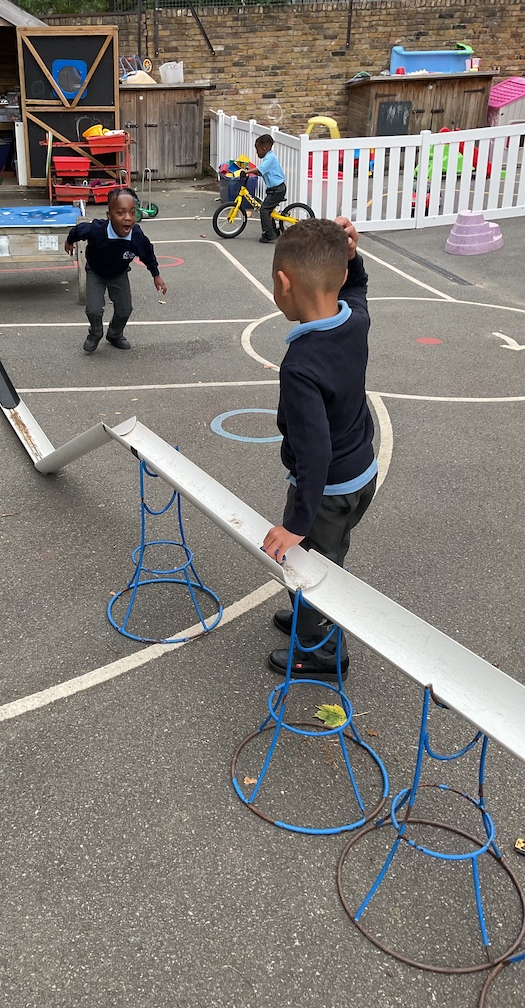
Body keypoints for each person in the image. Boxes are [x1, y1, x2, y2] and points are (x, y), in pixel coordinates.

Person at [262, 217, 377, 681]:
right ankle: (306, 615)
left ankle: (322, 653)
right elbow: (358, 287)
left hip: (327, 493)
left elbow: (315, 454)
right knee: (328, 553)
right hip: (361, 476)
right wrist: (353, 257)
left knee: (310, 566)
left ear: (283, 283)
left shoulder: (301, 366)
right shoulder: (355, 319)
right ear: (342, 275)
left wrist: (296, 523)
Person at [64, 187, 167, 353]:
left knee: (125, 310)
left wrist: (156, 275)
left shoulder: (136, 236)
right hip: (96, 272)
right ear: (109, 215)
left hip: (119, 273)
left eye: (132, 212)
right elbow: (79, 230)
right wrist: (69, 241)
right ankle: (95, 332)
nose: (128, 218)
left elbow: (147, 253)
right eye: (120, 213)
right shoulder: (97, 230)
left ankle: (114, 334)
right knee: (94, 309)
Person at [243, 134, 286, 244]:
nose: (256, 153)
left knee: (264, 210)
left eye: (257, 150)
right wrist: (251, 170)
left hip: (277, 189)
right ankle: (274, 231)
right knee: (268, 210)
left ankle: (269, 234)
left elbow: (261, 169)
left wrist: (248, 171)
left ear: (264, 149)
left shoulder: (270, 158)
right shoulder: (268, 158)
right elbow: (261, 172)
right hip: (275, 189)